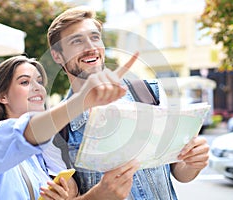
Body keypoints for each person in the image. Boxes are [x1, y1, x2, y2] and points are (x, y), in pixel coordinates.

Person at [47, 6, 210, 200]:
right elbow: (68, 195)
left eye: (95, 37)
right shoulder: (55, 129)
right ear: (57, 55)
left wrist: (193, 162)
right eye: (77, 41)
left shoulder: (150, 94)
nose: (91, 47)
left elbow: (179, 172)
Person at [0, 55, 139, 200]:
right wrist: (80, 101)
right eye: (25, 82)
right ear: (3, 96)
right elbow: (24, 133)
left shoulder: (42, 157)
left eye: (39, 81)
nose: (38, 88)